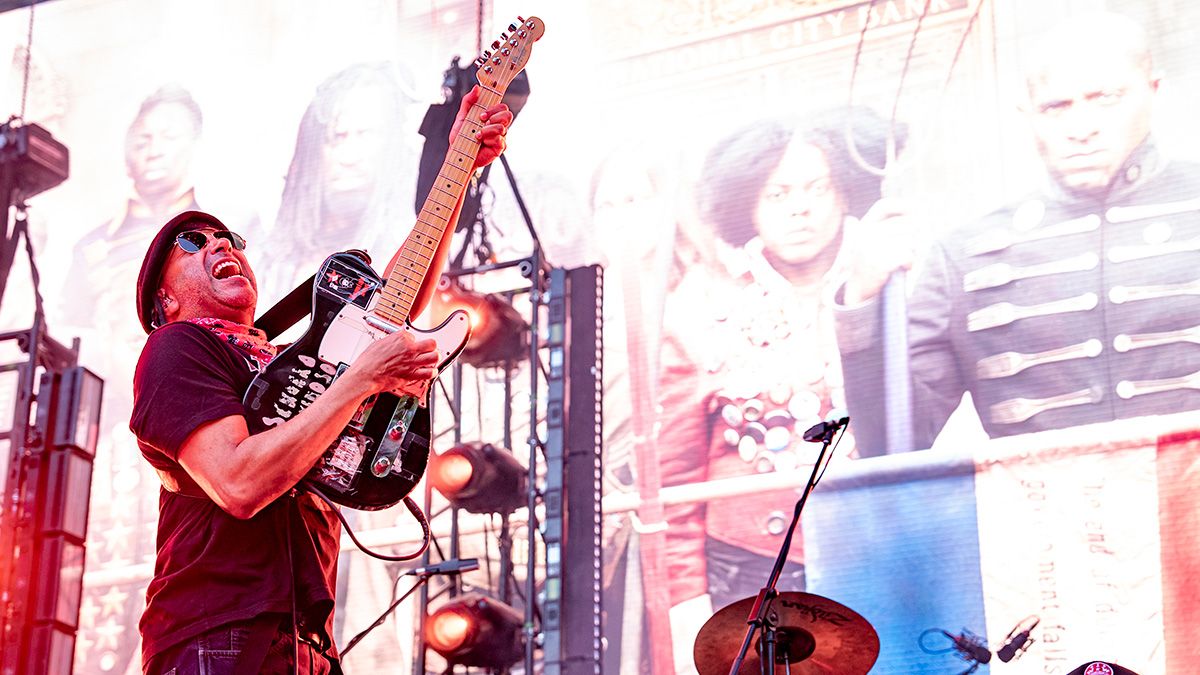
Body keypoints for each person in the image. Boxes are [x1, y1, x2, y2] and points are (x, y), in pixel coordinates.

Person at [128, 86, 512, 674]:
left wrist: (457, 162)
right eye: (193, 242)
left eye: (229, 240)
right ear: (164, 299)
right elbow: (236, 483)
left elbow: (395, 303)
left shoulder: (285, 362)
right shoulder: (179, 347)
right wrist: (358, 382)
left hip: (306, 641)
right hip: (217, 631)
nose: (221, 245)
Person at [832, 11, 1200, 454]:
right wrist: (862, 304)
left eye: (1106, 98)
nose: (1081, 129)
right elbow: (895, 441)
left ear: (1153, 92)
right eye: (1056, 107)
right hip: (1050, 518)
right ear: (1027, 115)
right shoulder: (966, 255)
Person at [651, 109, 899, 672]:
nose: (800, 208)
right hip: (751, 567)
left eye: (817, 187)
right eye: (778, 192)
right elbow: (677, 482)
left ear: (844, 193)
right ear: (747, 203)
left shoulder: (895, 283)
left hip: (882, 545)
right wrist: (689, 605)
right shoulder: (697, 312)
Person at [259, 62, 418, 305]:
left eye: (365, 134)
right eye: (337, 137)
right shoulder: (267, 261)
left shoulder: (409, 245)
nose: (349, 157)